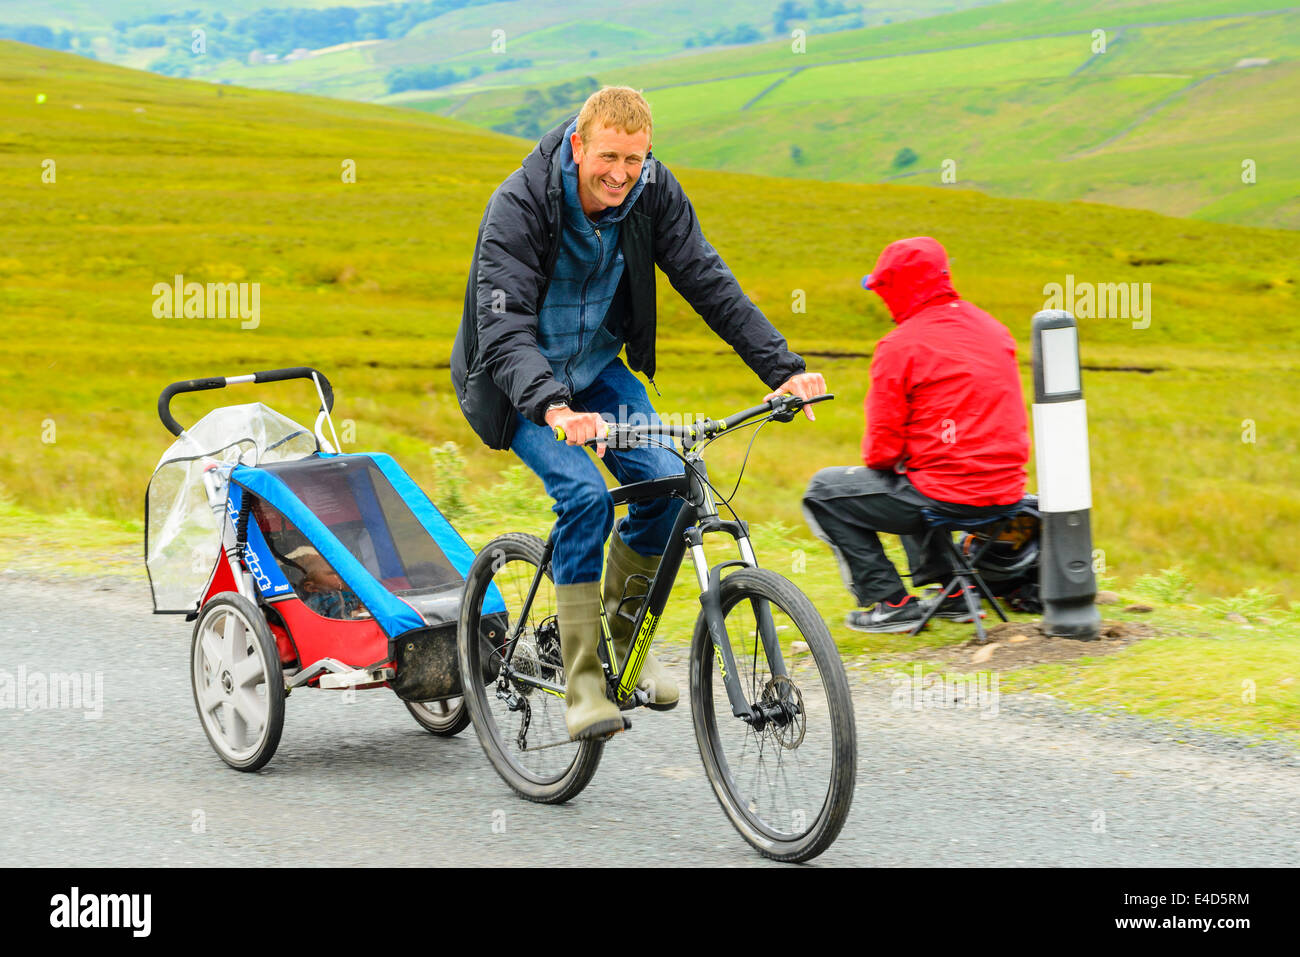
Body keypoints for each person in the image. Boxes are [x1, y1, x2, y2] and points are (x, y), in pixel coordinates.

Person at [451, 86, 825, 740]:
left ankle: (621, 646)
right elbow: (503, 333)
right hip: (521, 387)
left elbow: (707, 279)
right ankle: (582, 679)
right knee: (586, 497)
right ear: (578, 145)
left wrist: (783, 368)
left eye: (635, 158)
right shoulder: (518, 205)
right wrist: (553, 407)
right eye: (609, 157)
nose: (621, 173)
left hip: (596, 372)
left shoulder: (651, 191)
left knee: (672, 488)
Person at [802, 236, 1029, 633]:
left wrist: (912, 454)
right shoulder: (994, 329)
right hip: (1008, 494)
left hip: (950, 497)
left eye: (883, 289)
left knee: (824, 492)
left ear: (897, 287)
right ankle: (955, 596)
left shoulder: (899, 346)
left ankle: (890, 602)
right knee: (919, 476)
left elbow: (880, 453)